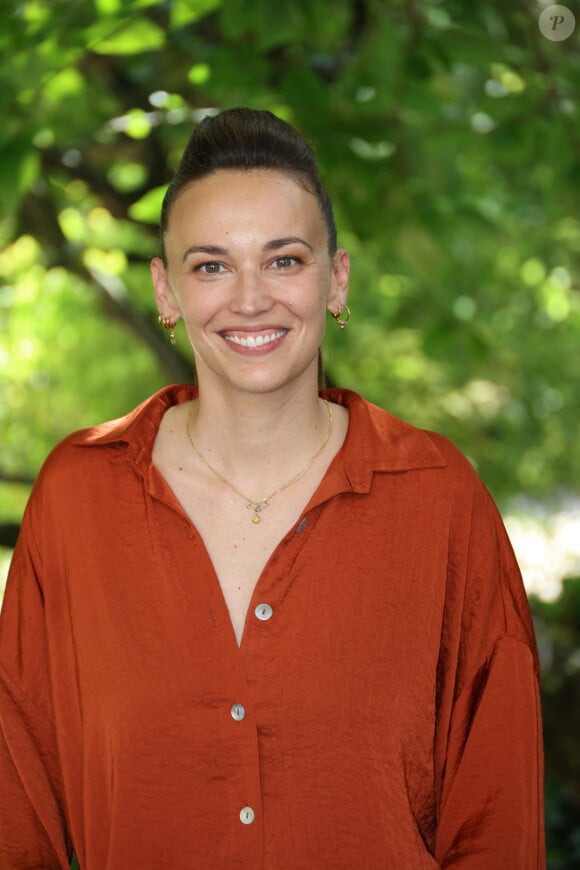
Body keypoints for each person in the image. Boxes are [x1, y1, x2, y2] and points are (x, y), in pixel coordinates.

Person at [0, 108, 545, 869]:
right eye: (212, 264)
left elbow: (497, 822)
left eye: (284, 260)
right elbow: (19, 807)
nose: (250, 298)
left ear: (336, 278)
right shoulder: (77, 500)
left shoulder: (438, 499)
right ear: (166, 291)